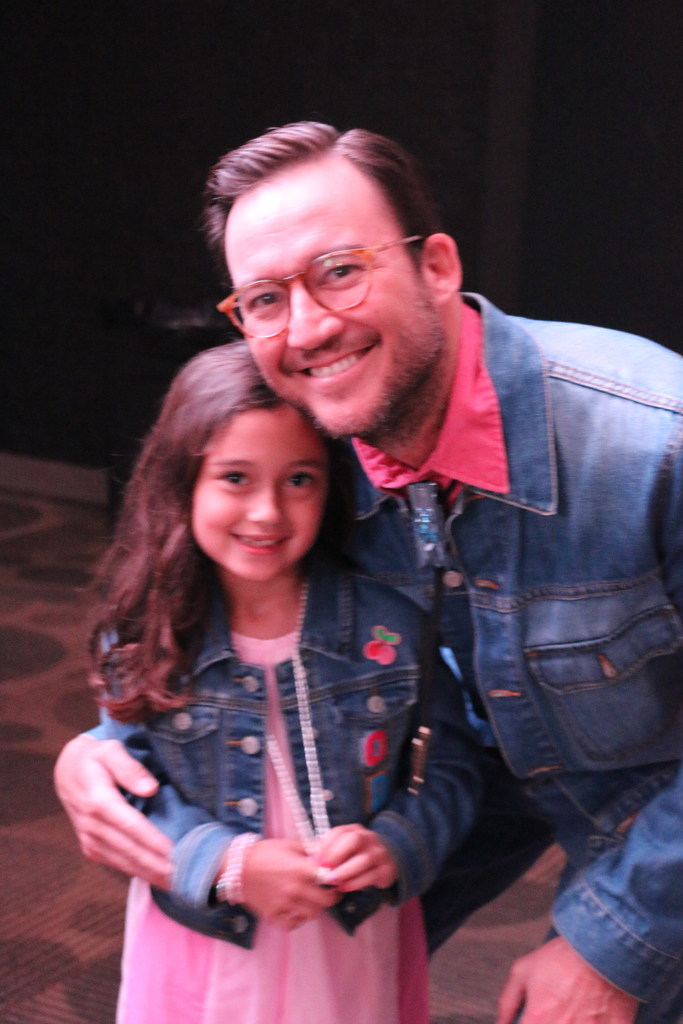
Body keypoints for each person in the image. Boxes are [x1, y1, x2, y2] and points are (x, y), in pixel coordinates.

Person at [55, 122, 683, 1024]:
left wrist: (614, 947)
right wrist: (101, 749)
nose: (306, 328)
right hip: (452, 779)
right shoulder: (306, 465)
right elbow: (194, 636)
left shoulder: (652, 440)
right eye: (264, 298)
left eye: (339, 270)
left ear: (435, 267)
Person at [86, 341, 480, 1024]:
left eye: (298, 479)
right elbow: (125, 791)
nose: (267, 512)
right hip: (204, 934)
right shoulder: (142, 631)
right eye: (235, 478)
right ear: (184, 480)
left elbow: (451, 767)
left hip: (349, 936)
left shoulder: (391, 626)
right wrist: (229, 863)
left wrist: (396, 843)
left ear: (331, 487)